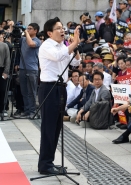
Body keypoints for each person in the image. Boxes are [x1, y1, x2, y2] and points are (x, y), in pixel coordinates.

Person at [38, 17, 81, 175]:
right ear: (50, 33)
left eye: (63, 28)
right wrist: (73, 44)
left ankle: (49, 161)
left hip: (60, 88)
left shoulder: (63, 46)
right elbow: (58, 56)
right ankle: (44, 164)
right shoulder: (47, 46)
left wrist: (75, 47)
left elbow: (75, 64)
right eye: (58, 28)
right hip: (49, 88)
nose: (62, 30)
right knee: (48, 127)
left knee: (56, 127)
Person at [14, 23, 41, 118]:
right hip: (22, 68)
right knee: (24, 91)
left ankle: (32, 111)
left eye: (30, 28)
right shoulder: (23, 40)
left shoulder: (37, 41)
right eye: (28, 28)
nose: (28, 30)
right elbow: (16, 41)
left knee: (31, 92)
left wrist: (26, 33)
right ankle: (26, 110)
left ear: (35, 31)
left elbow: (31, 44)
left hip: (32, 69)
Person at [0, 38, 10, 118]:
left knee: (3, 90)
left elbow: (7, 59)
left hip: (1, 69)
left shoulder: (4, 45)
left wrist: (6, 71)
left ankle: (3, 108)